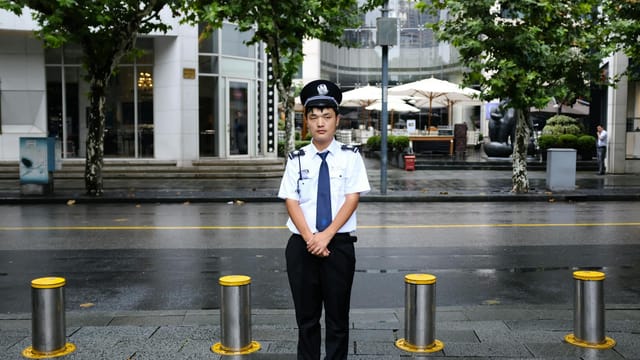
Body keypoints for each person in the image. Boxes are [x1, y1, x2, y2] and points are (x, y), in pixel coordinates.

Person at [278, 79, 370, 359]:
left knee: (338, 319)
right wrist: (310, 238)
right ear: (305, 121)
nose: (321, 123)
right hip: (302, 247)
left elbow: (352, 198)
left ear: (337, 120)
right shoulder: (296, 159)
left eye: (327, 116)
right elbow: (290, 200)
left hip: (338, 246)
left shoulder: (350, 157)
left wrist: (326, 236)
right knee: (306, 320)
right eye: (314, 116)